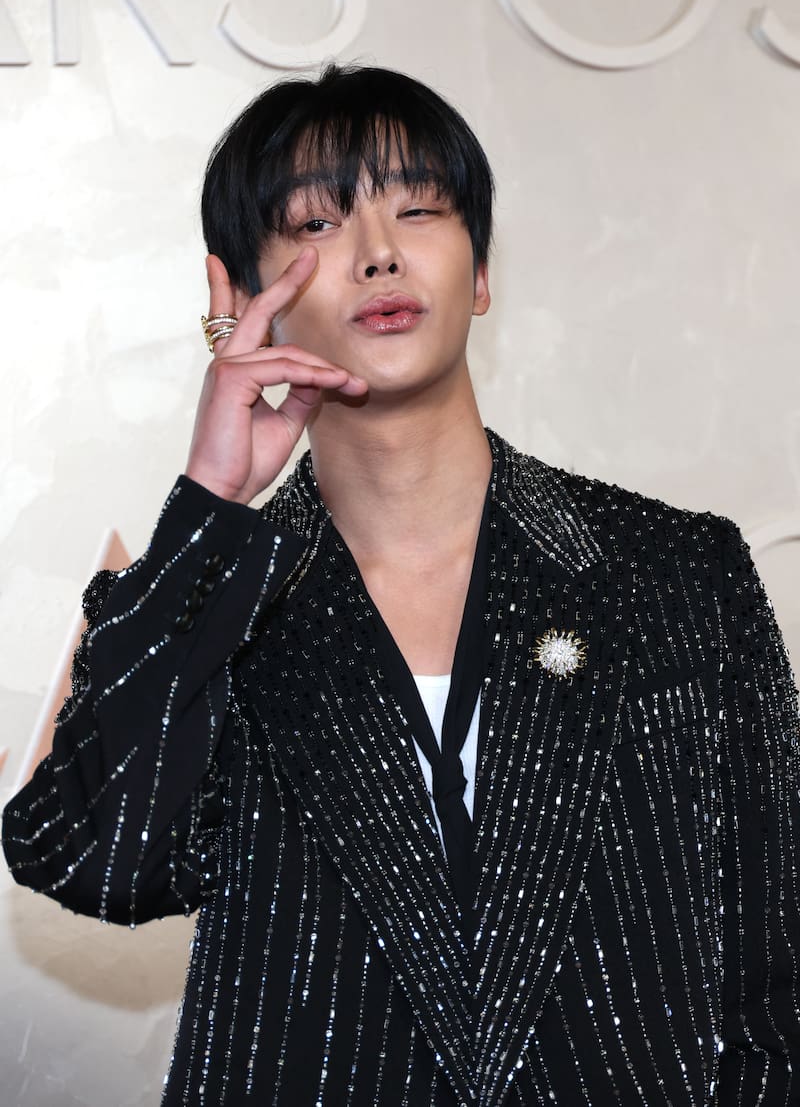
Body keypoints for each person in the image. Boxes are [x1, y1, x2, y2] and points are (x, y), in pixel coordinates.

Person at [3, 63, 799, 1107]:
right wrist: (212, 505)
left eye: (418, 209)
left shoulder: (677, 574)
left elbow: (774, 970)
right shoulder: (206, 595)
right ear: (240, 303)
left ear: (480, 272)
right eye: (316, 224)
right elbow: (94, 860)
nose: (378, 251)